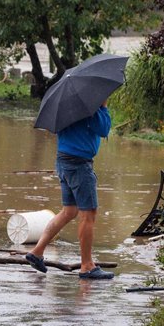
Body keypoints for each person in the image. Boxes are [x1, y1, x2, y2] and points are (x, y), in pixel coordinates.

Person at [26, 101, 114, 279]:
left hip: (63, 160)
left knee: (69, 211)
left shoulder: (64, 107)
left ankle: (37, 251)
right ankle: (87, 266)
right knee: (88, 215)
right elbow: (103, 130)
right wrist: (103, 107)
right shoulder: (90, 108)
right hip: (79, 164)